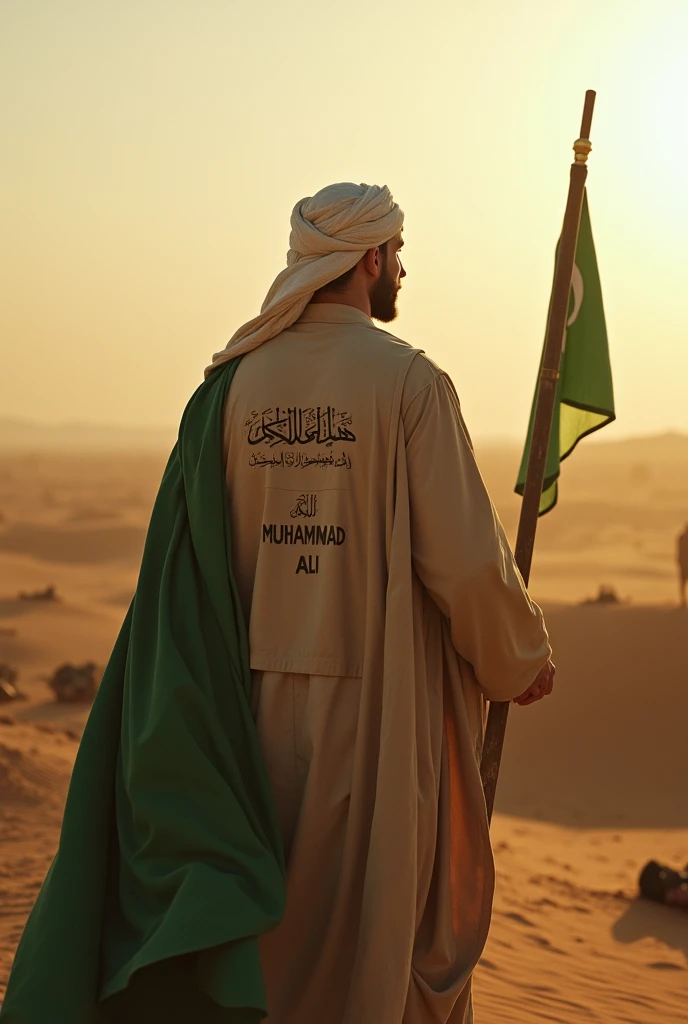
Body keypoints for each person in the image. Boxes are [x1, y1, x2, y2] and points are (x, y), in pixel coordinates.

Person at [1, 183, 553, 1024]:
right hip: (377, 727)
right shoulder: (408, 384)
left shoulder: (231, 388)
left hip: (241, 727)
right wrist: (519, 660)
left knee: (264, 945)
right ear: (369, 260)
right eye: (397, 253)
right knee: (372, 950)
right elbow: (470, 566)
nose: (402, 270)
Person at [677, 523, 688, 606]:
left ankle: (683, 600)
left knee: (682, 583)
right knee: (682, 583)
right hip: (684, 563)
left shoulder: (681, 538)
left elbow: (679, 551)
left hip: (683, 563)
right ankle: (683, 600)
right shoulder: (682, 538)